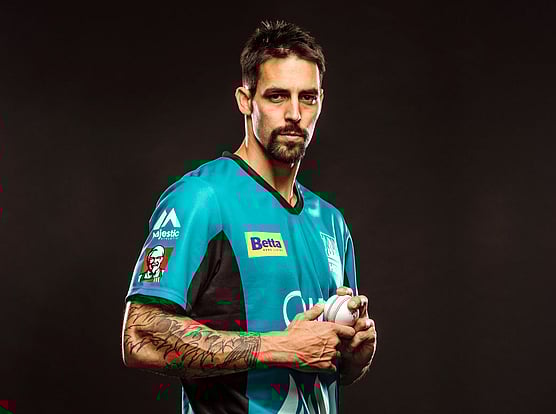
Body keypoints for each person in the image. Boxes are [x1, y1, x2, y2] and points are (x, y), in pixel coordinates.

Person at [121, 20, 377, 414]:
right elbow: (139, 335)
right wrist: (277, 347)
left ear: (321, 101)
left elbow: (328, 363)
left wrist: (355, 355)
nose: (295, 113)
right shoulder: (203, 198)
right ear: (245, 100)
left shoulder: (331, 223)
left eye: (308, 98)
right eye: (277, 96)